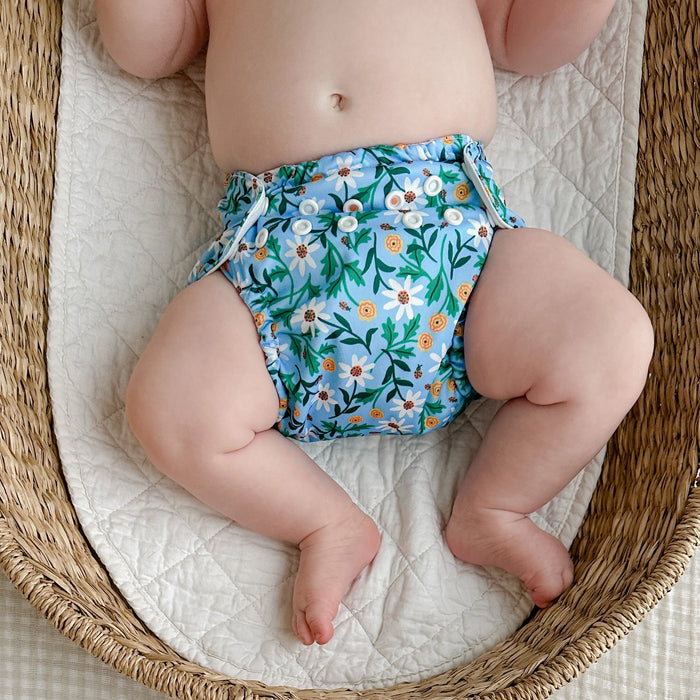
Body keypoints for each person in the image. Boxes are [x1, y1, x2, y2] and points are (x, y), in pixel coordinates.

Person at [95, 0, 654, 646]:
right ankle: (323, 522)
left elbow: (523, 42)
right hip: (280, 261)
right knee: (167, 407)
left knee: (613, 340)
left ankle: (494, 505)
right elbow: (148, 49)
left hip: (451, 244)